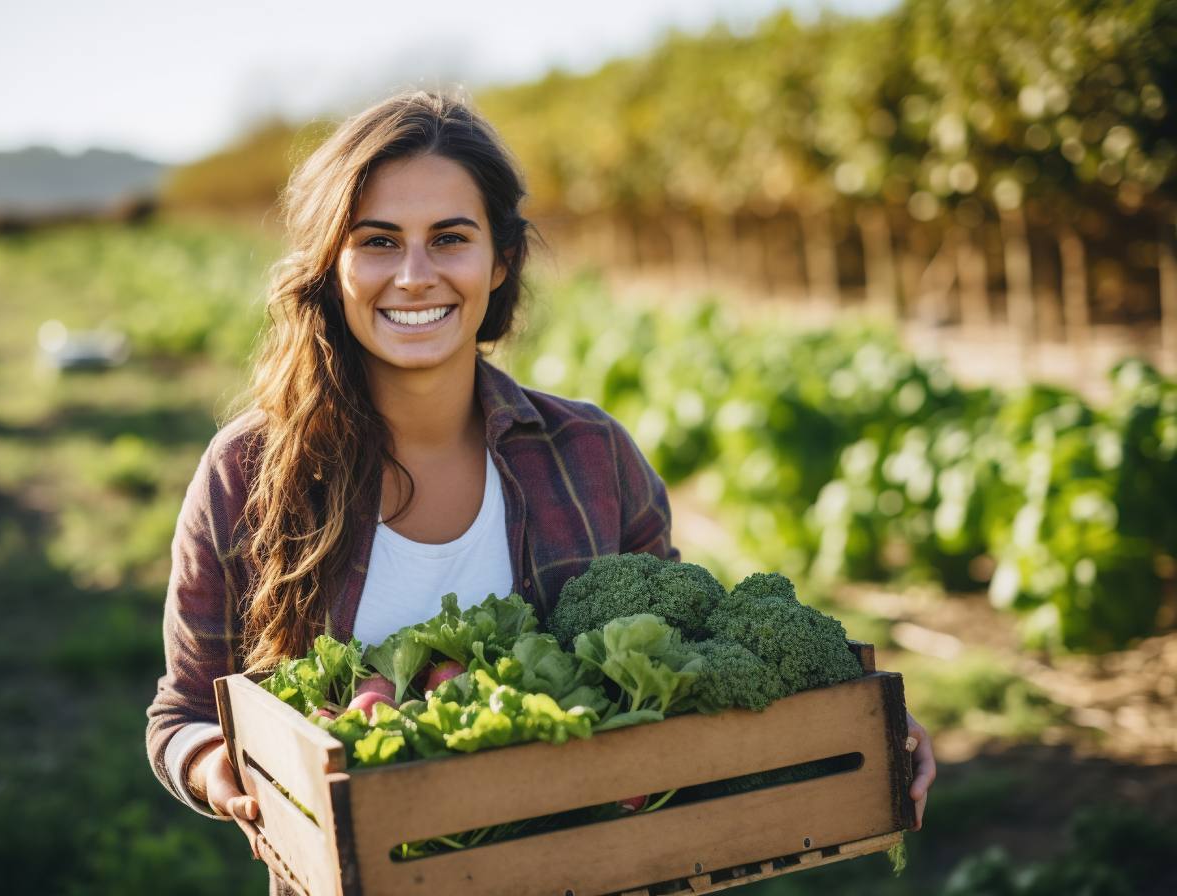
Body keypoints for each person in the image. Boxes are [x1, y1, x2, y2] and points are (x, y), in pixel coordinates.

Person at [145, 90, 935, 888]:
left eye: (449, 238)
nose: (415, 276)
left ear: (500, 261)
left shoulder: (590, 455)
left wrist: (858, 717)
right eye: (378, 241)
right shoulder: (249, 472)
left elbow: (693, 653)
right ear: (331, 266)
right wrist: (232, 775)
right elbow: (180, 718)